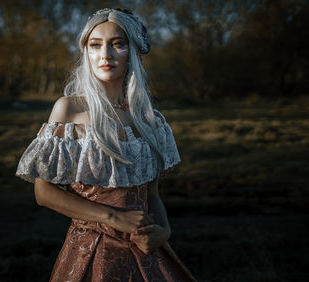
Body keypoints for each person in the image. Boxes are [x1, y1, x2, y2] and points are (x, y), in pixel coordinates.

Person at [15, 8, 198, 282]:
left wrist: (164, 231)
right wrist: (112, 217)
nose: (105, 55)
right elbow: (44, 192)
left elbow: (151, 195)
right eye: (95, 45)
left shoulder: (150, 119)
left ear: (134, 51)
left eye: (118, 44)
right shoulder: (70, 110)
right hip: (91, 252)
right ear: (86, 52)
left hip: (146, 251)